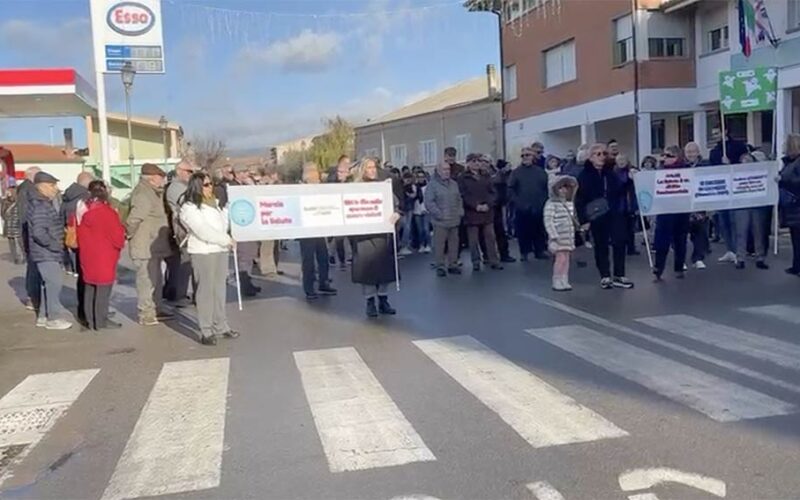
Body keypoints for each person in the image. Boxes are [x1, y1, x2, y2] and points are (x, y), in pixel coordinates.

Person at [179, 172, 239, 345]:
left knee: (219, 289)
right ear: (197, 186)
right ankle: (206, 330)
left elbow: (223, 225)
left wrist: (229, 209)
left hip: (220, 250)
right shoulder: (189, 207)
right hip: (203, 251)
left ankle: (221, 325)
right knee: (205, 291)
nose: (210, 187)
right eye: (206, 184)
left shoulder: (216, 204)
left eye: (211, 183)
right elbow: (202, 230)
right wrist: (226, 240)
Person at [575, 143, 634, 289]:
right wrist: (584, 220)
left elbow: (619, 190)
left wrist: (630, 180)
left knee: (620, 241)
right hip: (597, 214)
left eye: (604, 154)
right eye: (598, 154)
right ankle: (605, 275)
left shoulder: (610, 172)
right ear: (591, 157)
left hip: (613, 211)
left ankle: (619, 275)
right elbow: (580, 199)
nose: (602, 157)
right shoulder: (584, 175)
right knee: (601, 245)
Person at [126, 163, 175, 326]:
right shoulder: (144, 194)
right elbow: (134, 219)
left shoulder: (153, 192)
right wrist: (129, 234)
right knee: (146, 281)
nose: (163, 180)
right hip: (144, 245)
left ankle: (156, 308)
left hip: (154, 245)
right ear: (153, 178)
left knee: (155, 279)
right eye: (161, 177)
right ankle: (146, 313)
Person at [351, 158, 401, 317]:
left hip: (382, 234)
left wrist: (397, 214)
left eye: (374, 167)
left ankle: (383, 300)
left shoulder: (383, 187)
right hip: (364, 236)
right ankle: (370, 302)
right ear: (363, 170)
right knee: (368, 271)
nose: (372, 170)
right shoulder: (355, 189)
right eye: (369, 168)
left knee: (384, 268)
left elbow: (396, 205)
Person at [76, 180, 125, 331]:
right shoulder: (107, 213)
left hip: (87, 254)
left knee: (90, 286)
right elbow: (118, 238)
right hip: (105, 255)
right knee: (103, 289)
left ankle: (91, 320)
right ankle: (101, 321)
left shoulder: (83, 211)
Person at [27, 172, 72, 330]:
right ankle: (53, 318)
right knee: (54, 284)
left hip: (44, 252)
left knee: (47, 284)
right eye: (52, 185)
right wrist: (54, 245)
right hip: (46, 252)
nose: (56, 189)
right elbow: (39, 232)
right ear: (42, 186)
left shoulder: (40, 202)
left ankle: (43, 316)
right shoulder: (40, 205)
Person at [651, 146, 692, 281]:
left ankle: (679, 267)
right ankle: (658, 267)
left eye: (668, 156)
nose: (665, 158)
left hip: (681, 209)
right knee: (662, 240)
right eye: (664, 155)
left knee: (680, 239)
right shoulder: (660, 170)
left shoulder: (685, 170)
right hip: (665, 209)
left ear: (676, 157)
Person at [299, 162, 337, 300]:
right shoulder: (300, 190)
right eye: (314, 172)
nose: (318, 175)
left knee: (323, 257)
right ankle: (309, 288)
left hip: (319, 228)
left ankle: (324, 282)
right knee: (308, 260)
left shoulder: (320, 188)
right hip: (306, 230)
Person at [459, 153, 503, 272]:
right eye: (473, 161)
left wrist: (488, 204)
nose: (476, 164)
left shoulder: (486, 176)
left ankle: (494, 260)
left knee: (490, 237)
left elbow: (493, 192)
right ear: (468, 163)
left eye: (478, 161)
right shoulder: (463, 177)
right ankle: (476, 261)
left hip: (487, 212)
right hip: (472, 212)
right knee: (473, 240)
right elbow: (463, 195)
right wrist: (475, 205)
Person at [163, 159, 196, 307]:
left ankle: (188, 293)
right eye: (189, 171)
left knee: (191, 263)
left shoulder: (184, 186)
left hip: (189, 228)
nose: (191, 174)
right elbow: (186, 204)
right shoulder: (176, 188)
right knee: (186, 263)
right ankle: (179, 294)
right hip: (183, 230)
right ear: (180, 171)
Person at [509, 146, 550, 261]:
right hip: (522, 207)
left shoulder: (540, 172)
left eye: (527, 155)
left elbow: (545, 189)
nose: (525, 158)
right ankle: (524, 252)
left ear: (533, 156)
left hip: (538, 206)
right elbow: (511, 189)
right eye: (523, 155)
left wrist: (543, 202)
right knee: (523, 231)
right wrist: (518, 203)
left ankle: (540, 250)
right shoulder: (516, 172)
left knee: (539, 230)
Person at [426, 160, 464, 276]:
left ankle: (453, 264)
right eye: (444, 169)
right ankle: (440, 266)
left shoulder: (454, 184)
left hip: (454, 219)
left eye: (448, 169)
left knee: (454, 244)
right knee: (440, 245)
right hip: (440, 221)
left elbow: (459, 199)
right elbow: (429, 202)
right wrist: (438, 214)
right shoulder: (432, 185)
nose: (447, 172)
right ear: (438, 171)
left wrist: (460, 211)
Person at [228, 164, 261, 296]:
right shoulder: (233, 187)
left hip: (249, 226)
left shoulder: (244, 186)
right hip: (240, 227)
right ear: (239, 173)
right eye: (245, 172)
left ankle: (248, 282)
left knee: (250, 255)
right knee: (244, 257)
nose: (247, 174)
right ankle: (244, 285)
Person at [733, 152, 769, 270]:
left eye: (749, 161)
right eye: (744, 161)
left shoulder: (758, 174)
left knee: (758, 231)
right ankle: (740, 258)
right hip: (741, 205)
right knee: (741, 232)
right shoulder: (736, 174)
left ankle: (760, 257)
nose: (746, 164)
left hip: (756, 205)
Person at [544, 175, 578, 291]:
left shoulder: (569, 204)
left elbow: (572, 219)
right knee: (560, 259)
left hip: (568, 236)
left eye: (566, 187)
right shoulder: (551, 204)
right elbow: (548, 220)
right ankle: (557, 279)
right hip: (558, 236)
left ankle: (564, 278)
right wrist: (553, 236)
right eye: (560, 188)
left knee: (566, 259)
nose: (563, 190)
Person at [17, 166, 42, 311]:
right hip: (30, 233)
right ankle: (33, 298)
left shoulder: (24, 188)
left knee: (32, 266)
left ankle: (32, 297)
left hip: (27, 232)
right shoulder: (29, 190)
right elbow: (27, 214)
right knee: (34, 266)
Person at [684, 142, 711, 269]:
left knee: (699, 231)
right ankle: (681, 259)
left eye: (693, 152)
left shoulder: (706, 165)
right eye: (688, 152)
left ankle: (698, 258)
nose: (691, 154)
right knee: (681, 233)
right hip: (684, 203)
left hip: (700, 202)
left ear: (698, 152)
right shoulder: (680, 166)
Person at [779, 133, 800, 275]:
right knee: (795, 238)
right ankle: (796, 265)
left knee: (798, 238)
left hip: (796, 204)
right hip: (791, 206)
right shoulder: (790, 163)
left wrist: (782, 180)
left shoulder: (797, 163)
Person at [327, 155, 352, 268]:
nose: (341, 174)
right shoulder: (332, 181)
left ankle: (350, 257)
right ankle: (341, 260)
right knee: (339, 239)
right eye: (340, 171)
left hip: (350, 213)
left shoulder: (352, 181)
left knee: (350, 237)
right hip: (337, 213)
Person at [258, 166, 282, 277]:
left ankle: (274, 267)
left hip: (275, 218)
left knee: (275, 245)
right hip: (266, 218)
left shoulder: (277, 184)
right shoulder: (263, 184)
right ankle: (267, 268)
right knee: (267, 245)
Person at [614, 154, 639, 256]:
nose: (621, 161)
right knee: (621, 229)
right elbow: (618, 186)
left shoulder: (632, 170)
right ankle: (622, 248)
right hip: (619, 205)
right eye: (619, 160)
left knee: (631, 228)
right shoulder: (614, 173)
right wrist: (628, 179)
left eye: (623, 159)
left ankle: (631, 248)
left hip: (630, 204)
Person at [491, 159, 515, 262]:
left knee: (500, 231)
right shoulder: (497, 176)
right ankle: (490, 256)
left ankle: (503, 254)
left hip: (499, 205)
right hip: (492, 205)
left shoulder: (500, 175)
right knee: (489, 233)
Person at [2, 183, 23, 264]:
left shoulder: (9, 201)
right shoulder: (8, 201)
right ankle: (19, 257)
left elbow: (3, 213)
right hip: (13, 224)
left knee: (17, 242)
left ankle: (19, 257)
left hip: (13, 224)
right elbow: (3, 213)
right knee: (16, 242)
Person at [398, 171, 418, 255]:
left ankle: (404, 244)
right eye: (406, 179)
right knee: (405, 227)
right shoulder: (400, 187)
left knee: (407, 227)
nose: (408, 181)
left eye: (409, 179)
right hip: (403, 209)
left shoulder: (412, 186)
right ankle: (402, 244)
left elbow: (414, 195)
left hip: (409, 208)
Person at [412, 169, 431, 254]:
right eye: (419, 177)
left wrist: (426, 209)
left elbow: (429, 199)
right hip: (417, 210)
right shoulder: (414, 187)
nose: (421, 179)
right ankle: (421, 245)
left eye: (422, 177)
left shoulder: (428, 187)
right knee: (420, 230)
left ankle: (428, 245)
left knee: (426, 229)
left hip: (426, 210)